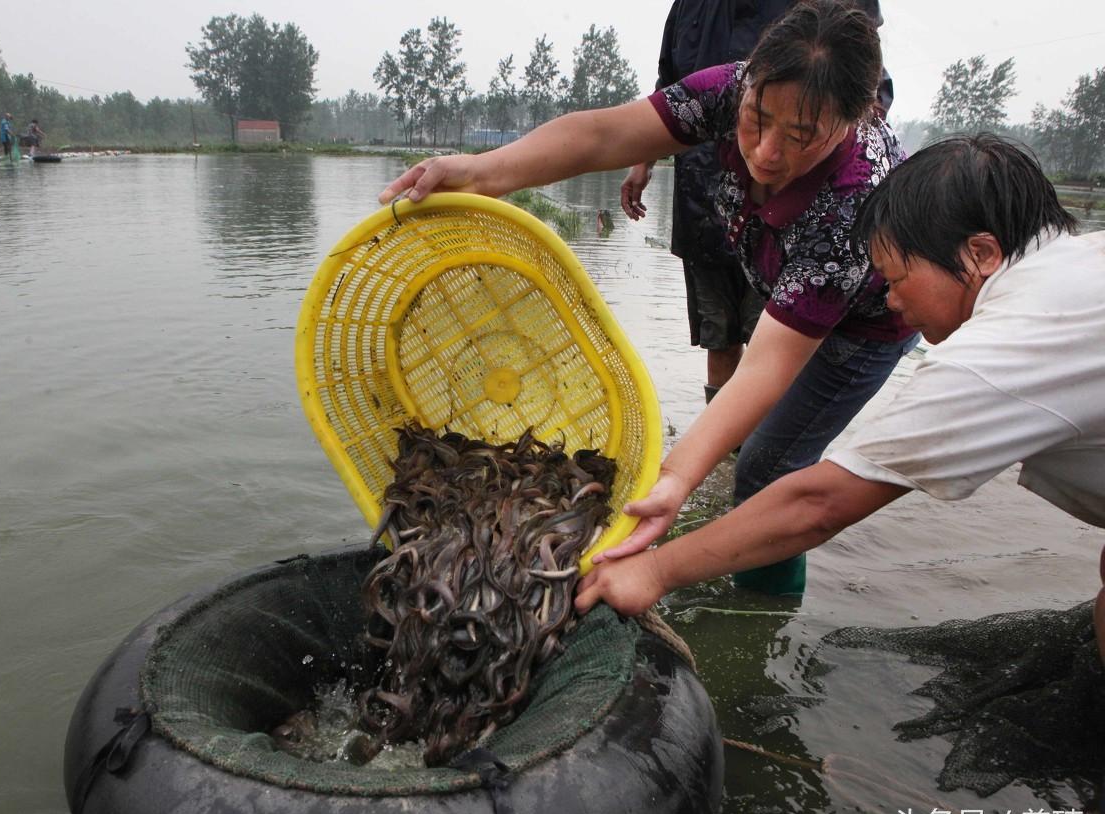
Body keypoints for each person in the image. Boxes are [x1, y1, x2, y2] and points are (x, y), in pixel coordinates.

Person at [379, 0, 916, 596]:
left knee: (768, 466)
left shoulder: (855, 198)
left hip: (867, 324)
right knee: (742, 436)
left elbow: (770, 364)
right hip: (780, 272)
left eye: (800, 137)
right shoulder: (730, 89)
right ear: (750, 83)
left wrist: (675, 477)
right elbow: (604, 133)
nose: (765, 153)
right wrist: (480, 172)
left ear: (853, 120)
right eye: (757, 120)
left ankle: (764, 614)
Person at [575, 134, 1105, 663]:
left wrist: (654, 570)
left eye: (897, 277)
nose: (892, 301)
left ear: (981, 253)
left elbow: (820, 503)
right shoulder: (1079, 269)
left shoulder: (1006, 347)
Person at [620, 0, 892, 406]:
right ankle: (726, 455)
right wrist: (642, 161)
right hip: (703, 201)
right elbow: (669, 85)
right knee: (719, 336)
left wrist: (814, 153)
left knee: (772, 343)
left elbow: (867, 92)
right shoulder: (691, 8)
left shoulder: (817, 24)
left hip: (788, 222)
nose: (765, 150)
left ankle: (756, 454)